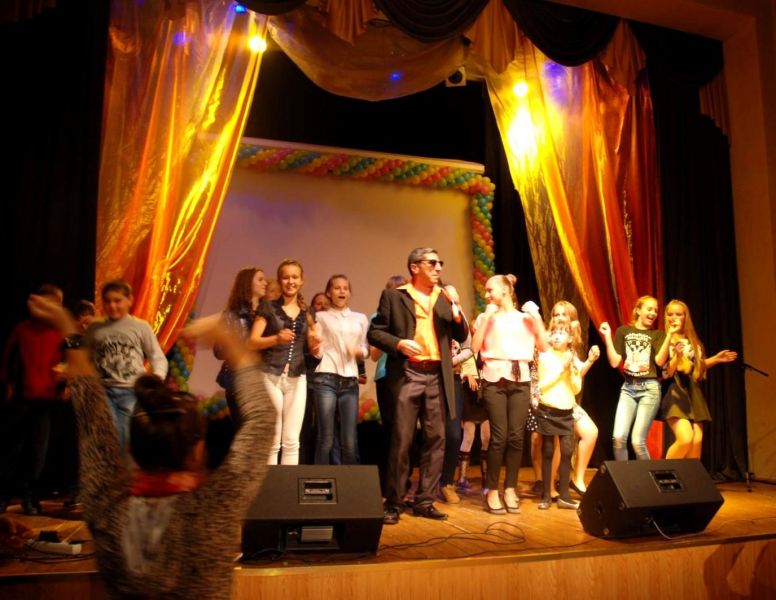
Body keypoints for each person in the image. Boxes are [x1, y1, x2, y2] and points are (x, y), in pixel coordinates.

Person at [27, 294, 275, 600]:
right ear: (196, 450)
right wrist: (232, 343)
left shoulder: (108, 507)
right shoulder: (214, 507)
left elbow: (93, 422)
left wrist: (69, 330)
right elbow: (262, 420)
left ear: (133, 448)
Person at [368, 248, 468, 524]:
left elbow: (461, 334)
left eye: (440, 263)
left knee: (436, 439)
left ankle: (424, 500)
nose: (438, 268)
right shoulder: (395, 296)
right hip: (408, 373)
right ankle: (394, 501)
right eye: (432, 263)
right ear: (415, 267)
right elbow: (375, 332)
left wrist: (457, 313)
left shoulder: (443, 296)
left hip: (437, 374)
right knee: (402, 439)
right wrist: (398, 343)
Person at [471, 274, 548, 514]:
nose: (487, 294)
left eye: (490, 290)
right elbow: (474, 348)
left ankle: (511, 488)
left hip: (520, 379)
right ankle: (492, 490)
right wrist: (486, 317)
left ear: (505, 290)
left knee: (516, 437)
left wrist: (537, 317)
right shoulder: (486, 317)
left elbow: (544, 346)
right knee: (499, 437)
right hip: (494, 380)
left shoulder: (525, 318)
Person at [0, 284, 65, 514]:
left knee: (38, 453)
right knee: (13, 449)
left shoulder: (61, 333)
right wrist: (9, 385)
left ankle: (30, 496)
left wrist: (65, 383)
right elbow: (8, 358)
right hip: (22, 398)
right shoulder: (22, 329)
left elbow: (71, 360)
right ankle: (4, 495)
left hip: (47, 401)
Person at [248, 258, 317, 465]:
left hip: (297, 377)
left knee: (292, 440)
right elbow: (252, 342)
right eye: (286, 277)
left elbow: (312, 346)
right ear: (280, 280)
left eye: (295, 277)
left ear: (302, 280)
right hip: (270, 375)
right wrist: (276, 339)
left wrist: (316, 345)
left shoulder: (307, 312)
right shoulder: (268, 307)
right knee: (273, 438)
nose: (290, 281)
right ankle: (269, 483)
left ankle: (286, 484)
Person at [86, 280, 168, 449]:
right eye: (107, 301)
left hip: (130, 390)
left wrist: (156, 377)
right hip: (103, 390)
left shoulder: (140, 326)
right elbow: (85, 357)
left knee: (124, 437)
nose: (112, 306)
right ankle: (110, 465)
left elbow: (157, 356)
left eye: (117, 300)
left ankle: (123, 465)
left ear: (129, 300)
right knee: (106, 435)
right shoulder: (96, 328)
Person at [661, 300, 737, 459]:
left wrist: (716, 359)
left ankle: (689, 475)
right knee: (685, 439)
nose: (673, 318)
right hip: (675, 389)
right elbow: (666, 372)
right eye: (670, 314)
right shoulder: (664, 338)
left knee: (697, 440)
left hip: (693, 390)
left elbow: (697, 367)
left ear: (685, 317)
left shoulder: (693, 341)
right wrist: (677, 356)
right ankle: (664, 472)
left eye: (678, 314)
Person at [599, 296, 672, 461]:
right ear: (638, 310)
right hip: (628, 388)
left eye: (655, 310)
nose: (653, 313)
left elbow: (660, 362)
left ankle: (648, 477)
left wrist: (669, 336)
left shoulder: (658, 335)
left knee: (637, 442)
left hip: (649, 389)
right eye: (649, 309)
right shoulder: (623, 331)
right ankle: (624, 477)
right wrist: (608, 336)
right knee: (618, 438)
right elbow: (614, 362)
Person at [312, 275, 369, 465]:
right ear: (329, 293)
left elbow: (365, 348)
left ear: (349, 293)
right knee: (326, 438)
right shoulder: (321, 317)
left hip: (350, 381)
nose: (342, 291)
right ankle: (320, 480)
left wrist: (358, 351)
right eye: (337, 288)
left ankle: (349, 482)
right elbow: (318, 350)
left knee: (349, 441)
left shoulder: (360, 318)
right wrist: (314, 346)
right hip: (326, 378)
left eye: (345, 288)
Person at [535, 320, 591, 510]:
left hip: (566, 411)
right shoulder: (545, 357)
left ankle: (565, 496)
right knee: (548, 451)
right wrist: (562, 369)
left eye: (562, 332)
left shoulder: (571, 357)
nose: (557, 336)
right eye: (554, 332)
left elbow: (575, 388)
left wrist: (573, 369)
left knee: (567, 452)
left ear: (570, 338)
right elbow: (542, 385)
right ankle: (546, 495)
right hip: (548, 410)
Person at [215, 266, 267, 432]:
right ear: (247, 283)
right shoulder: (232, 315)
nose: (265, 283)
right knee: (246, 432)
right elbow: (218, 350)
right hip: (238, 379)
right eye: (260, 279)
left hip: (264, 380)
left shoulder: (268, 314)